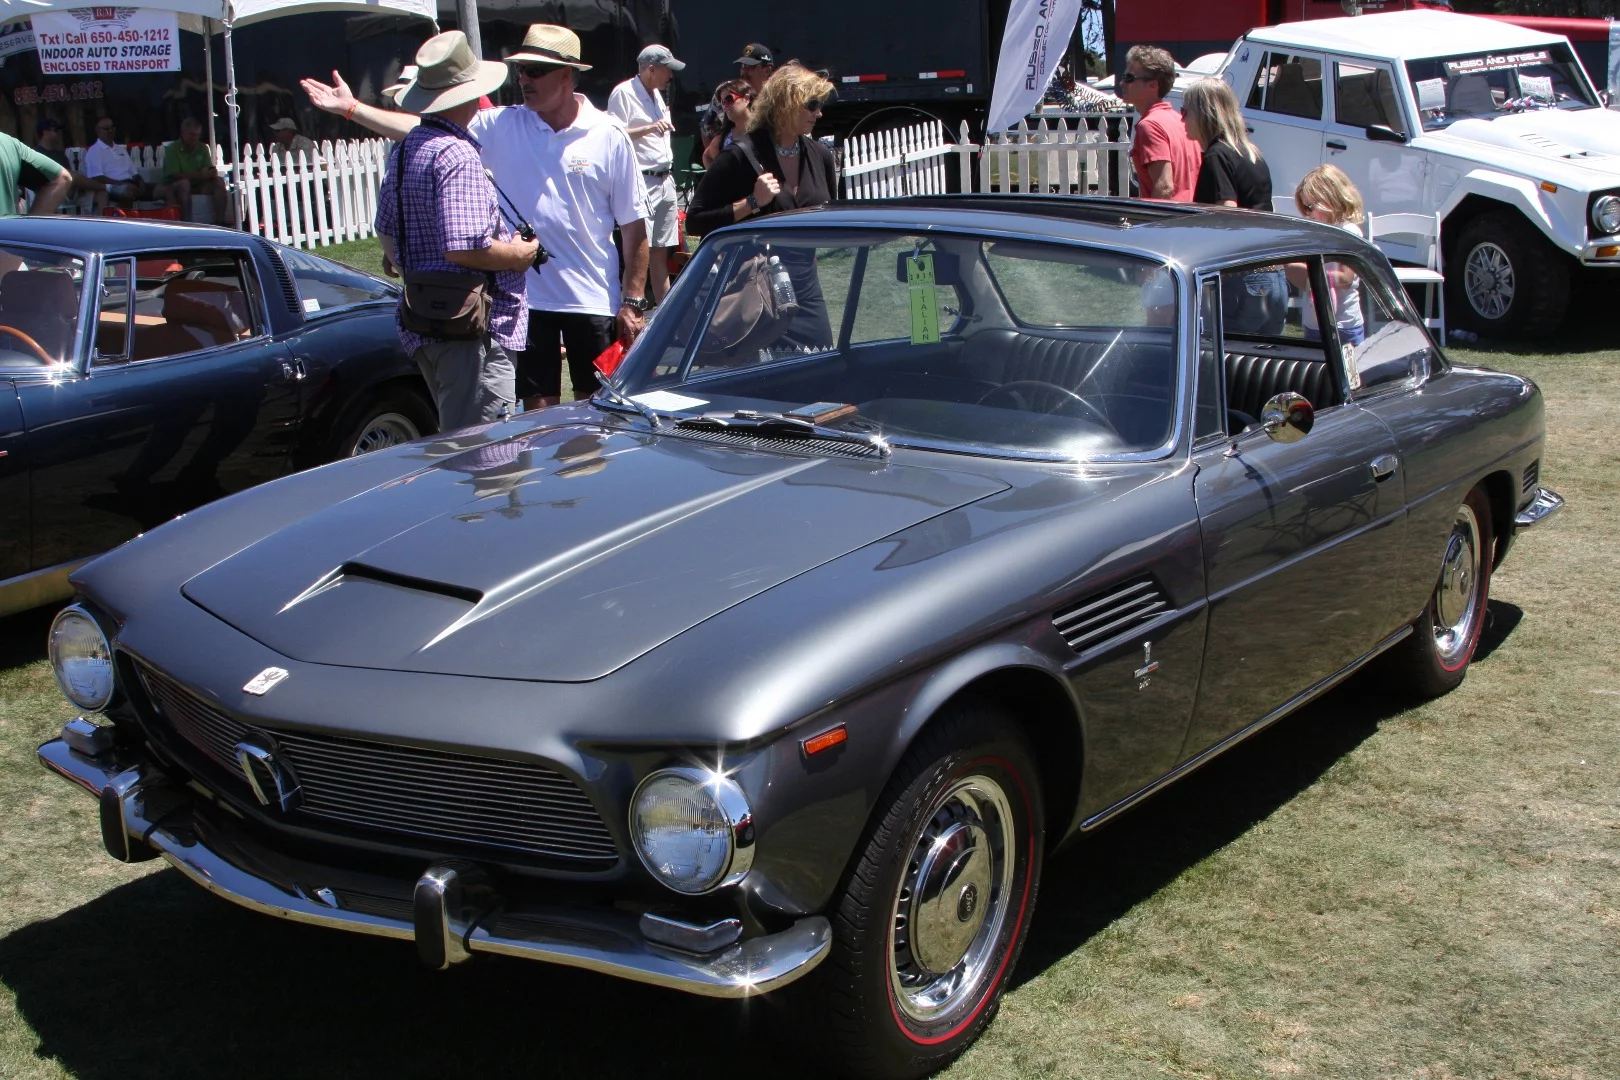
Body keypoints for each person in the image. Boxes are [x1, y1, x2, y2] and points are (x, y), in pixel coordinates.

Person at [301, 23, 651, 411]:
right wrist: (352, 108)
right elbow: (421, 127)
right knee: (537, 416)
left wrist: (633, 301)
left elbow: (635, 228)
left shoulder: (609, 133)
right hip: (523, 299)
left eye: (535, 70)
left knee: (598, 412)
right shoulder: (502, 123)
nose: (524, 79)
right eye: (520, 70)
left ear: (568, 74)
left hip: (592, 299)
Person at [374, 30, 538, 432]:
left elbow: (386, 235)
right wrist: (520, 254)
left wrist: (409, 261)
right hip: (470, 331)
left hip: (426, 321)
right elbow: (465, 248)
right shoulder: (456, 152)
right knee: (483, 455)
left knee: (460, 439)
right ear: (468, 93)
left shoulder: (408, 147)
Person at [1182, 77, 1284, 335]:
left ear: (1204, 113)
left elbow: (1227, 212)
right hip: (1274, 276)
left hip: (1241, 279)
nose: (1182, 120)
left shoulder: (1218, 155)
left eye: (1185, 111)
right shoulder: (1252, 152)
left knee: (1226, 365)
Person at [687, 64, 837, 237]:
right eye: (812, 105)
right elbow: (694, 222)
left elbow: (831, 224)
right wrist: (752, 202)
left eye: (820, 105)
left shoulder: (821, 156)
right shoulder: (739, 154)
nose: (819, 114)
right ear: (786, 104)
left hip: (806, 265)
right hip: (756, 263)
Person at [608, 44, 684, 306]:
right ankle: (630, 311)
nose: (670, 76)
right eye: (667, 70)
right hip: (644, 180)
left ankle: (666, 315)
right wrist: (650, 127)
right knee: (637, 253)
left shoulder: (656, 94)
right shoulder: (623, 93)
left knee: (660, 253)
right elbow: (614, 136)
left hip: (665, 179)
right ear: (652, 69)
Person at [1288, 164, 1366, 347]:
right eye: (1304, 208)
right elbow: (1303, 279)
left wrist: (1310, 274)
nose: (1308, 213)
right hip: (1315, 322)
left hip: (1343, 325)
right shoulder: (1316, 231)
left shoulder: (1348, 231)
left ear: (1329, 200)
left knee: (1346, 374)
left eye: (1310, 206)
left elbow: (1346, 278)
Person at [1120, 45, 1199, 202]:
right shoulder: (1180, 121)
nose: (1122, 83)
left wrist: (1149, 225)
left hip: (1167, 221)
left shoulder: (1150, 125)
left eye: (1129, 78)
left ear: (1153, 85)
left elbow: (1164, 187)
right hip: (1190, 217)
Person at [159, 118, 228, 224]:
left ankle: (220, 221)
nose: (195, 138)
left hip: (198, 185)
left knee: (219, 181)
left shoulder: (202, 147)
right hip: (175, 186)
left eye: (197, 135)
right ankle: (187, 223)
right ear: (183, 133)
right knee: (184, 183)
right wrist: (200, 175)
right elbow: (175, 175)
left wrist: (212, 171)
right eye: (192, 135)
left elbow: (208, 168)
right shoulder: (173, 149)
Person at [33, 117, 107, 213]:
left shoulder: (60, 154)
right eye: (56, 130)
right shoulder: (36, 154)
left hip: (70, 190)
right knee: (72, 175)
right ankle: (108, 186)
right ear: (45, 132)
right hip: (51, 190)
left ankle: (101, 226)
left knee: (101, 194)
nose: (59, 133)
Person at [0, 131, 71, 218]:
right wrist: (29, 227)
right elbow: (62, 177)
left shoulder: (10, 145)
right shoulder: (9, 144)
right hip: (8, 230)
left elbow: (61, 178)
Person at [84, 118, 149, 203]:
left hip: (130, 183)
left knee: (165, 189)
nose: (110, 130)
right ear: (98, 131)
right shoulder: (94, 151)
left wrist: (141, 182)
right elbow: (97, 177)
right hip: (113, 186)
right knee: (127, 193)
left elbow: (134, 173)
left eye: (112, 127)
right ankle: (127, 216)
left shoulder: (121, 149)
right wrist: (123, 185)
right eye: (106, 128)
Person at [702, 79, 752, 168]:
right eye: (722, 102)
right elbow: (707, 156)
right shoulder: (725, 137)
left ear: (746, 99)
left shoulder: (765, 128)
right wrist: (716, 179)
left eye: (729, 99)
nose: (725, 106)